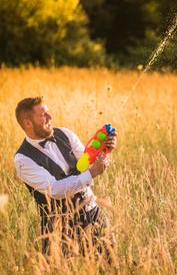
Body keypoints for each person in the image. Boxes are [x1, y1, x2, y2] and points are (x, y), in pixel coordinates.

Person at [14, 96, 116, 258]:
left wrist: (103, 151)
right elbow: (55, 189)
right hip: (59, 228)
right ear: (28, 123)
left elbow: (88, 162)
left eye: (48, 112)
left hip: (92, 213)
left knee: (112, 269)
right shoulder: (22, 160)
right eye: (43, 115)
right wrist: (92, 173)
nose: (50, 117)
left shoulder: (65, 134)